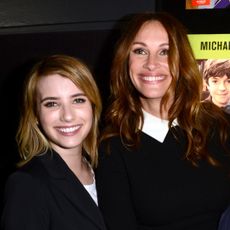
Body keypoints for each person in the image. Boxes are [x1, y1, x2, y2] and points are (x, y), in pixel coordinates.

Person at [95, 12, 230, 230]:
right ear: (125, 60)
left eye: (165, 52)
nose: (151, 63)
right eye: (140, 51)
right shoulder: (113, 147)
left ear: (182, 60)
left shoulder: (218, 123)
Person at [1, 54, 107, 230]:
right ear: (35, 115)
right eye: (51, 104)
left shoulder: (104, 168)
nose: (67, 115)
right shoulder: (27, 184)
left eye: (78, 100)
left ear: (93, 106)